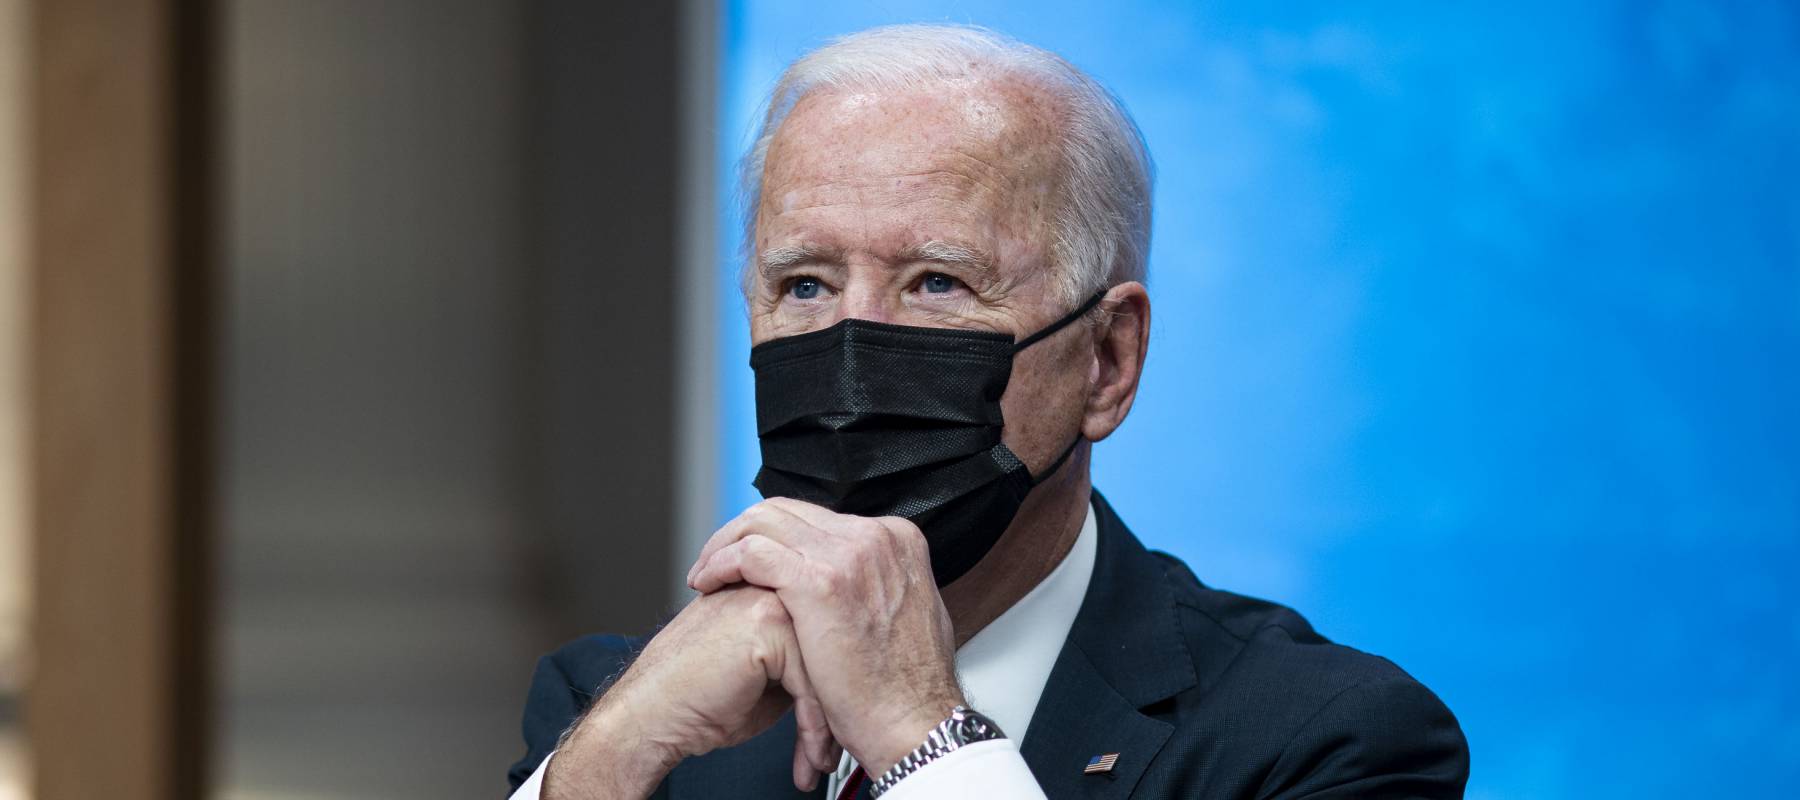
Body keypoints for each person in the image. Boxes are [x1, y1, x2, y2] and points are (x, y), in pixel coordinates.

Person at [507, 23, 1468, 800]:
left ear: (1106, 360)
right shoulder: (623, 715)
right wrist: (608, 762)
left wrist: (923, 738)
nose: (851, 351)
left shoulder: (1324, 743)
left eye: (936, 283)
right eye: (803, 284)